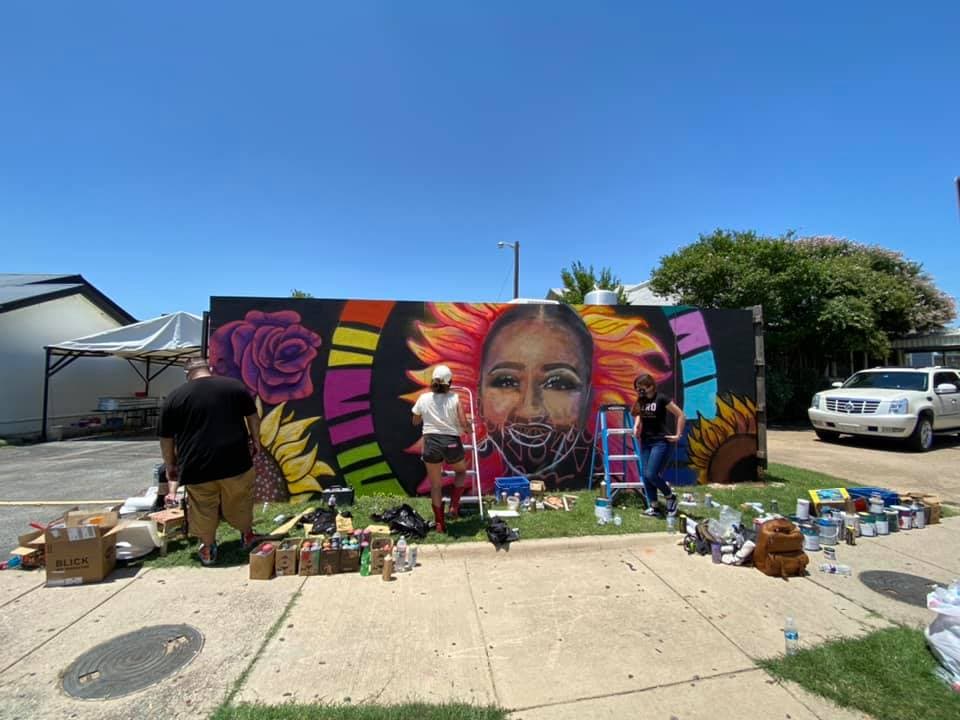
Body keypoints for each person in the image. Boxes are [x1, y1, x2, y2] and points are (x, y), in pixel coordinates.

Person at [158, 358, 263, 566]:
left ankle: (207, 548)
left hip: (196, 466)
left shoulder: (174, 398)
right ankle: (247, 535)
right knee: (240, 499)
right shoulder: (233, 387)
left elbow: (166, 438)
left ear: (187, 374)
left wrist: (170, 464)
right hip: (235, 460)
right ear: (210, 369)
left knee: (202, 506)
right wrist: (257, 442)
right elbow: (253, 417)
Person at [478, 303, 594, 488]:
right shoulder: (468, 464)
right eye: (507, 382)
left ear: (589, 396)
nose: (529, 410)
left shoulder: (601, 466)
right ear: (479, 395)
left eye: (558, 383)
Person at [412, 364, 469, 533]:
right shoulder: (454, 398)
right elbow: (463, 423)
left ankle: (439, 523)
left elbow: (415, 420)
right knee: (461, 471)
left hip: (430, 442)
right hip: (450, 440)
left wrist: (424, 417)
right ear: (449, 382)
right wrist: (469, 429)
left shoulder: (423, 398)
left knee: (436, 485)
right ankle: (454, 506)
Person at [631, 373, 685, 517]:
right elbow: (638, 414)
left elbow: (680, 415)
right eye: (637, 389)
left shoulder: (661, 399)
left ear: (651, 386)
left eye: (642, 388)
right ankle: (654, 507)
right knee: (645, 475)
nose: (639, 391)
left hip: (660, 441)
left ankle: (670, 497)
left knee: (651, 474)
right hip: (646, 441)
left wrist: (678, 435)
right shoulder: (641, 401)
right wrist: (636, 426)